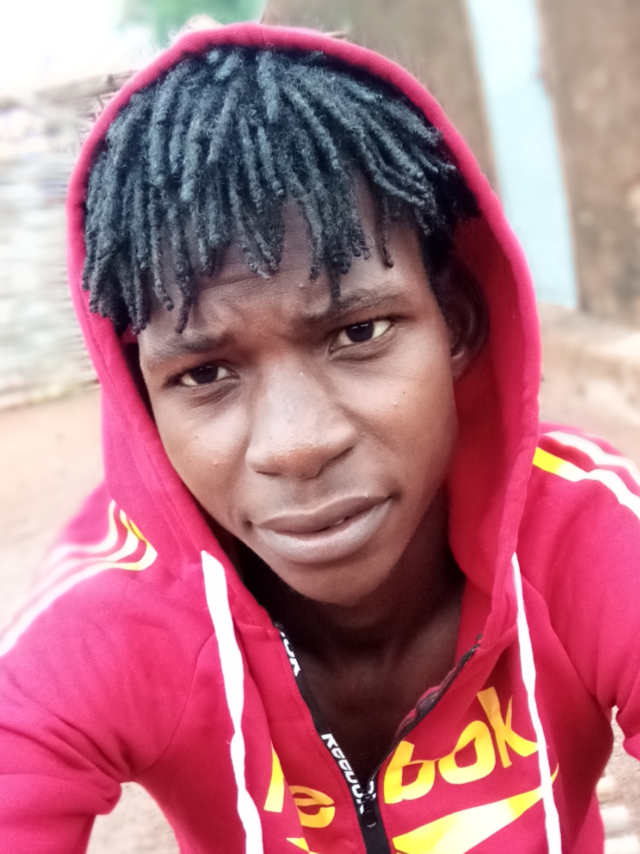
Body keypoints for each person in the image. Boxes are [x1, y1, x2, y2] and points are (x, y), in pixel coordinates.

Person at [1, 22, 640, 854]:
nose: (297, 445)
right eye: (204, 373)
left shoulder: (588, 537)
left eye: (359, 331)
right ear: (142, 402)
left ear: (456, 322)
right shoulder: (112, 612)